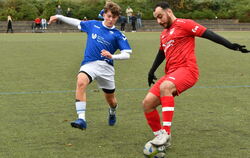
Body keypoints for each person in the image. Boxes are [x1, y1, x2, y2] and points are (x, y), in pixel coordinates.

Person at [143, 2, 249, 148]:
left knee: (166, 87)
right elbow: (162, 52)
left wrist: (230, 45)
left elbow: (208, 34)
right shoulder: (164, 34)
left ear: (169, 11)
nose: (159, 21)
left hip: (187, 70)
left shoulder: (185, 24)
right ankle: (161, 139)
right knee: (147, 103)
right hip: (171, 72)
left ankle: (165, 133)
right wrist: (152, 70)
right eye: (156, 18)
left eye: (160, 16)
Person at [48, 1, 132, 130]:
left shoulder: (118, 35)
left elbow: (127, 54)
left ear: (117, 18)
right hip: (90, 64)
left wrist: (112, 56)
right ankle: (81, 119)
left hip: (106, 68)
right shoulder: (93, 25)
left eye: (114, 17)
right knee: (81, 81)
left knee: (111, 100)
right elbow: (76, 22)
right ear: (104, 14)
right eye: (108, 16)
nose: (111, 19)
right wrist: (59, 17)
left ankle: (112, 111)